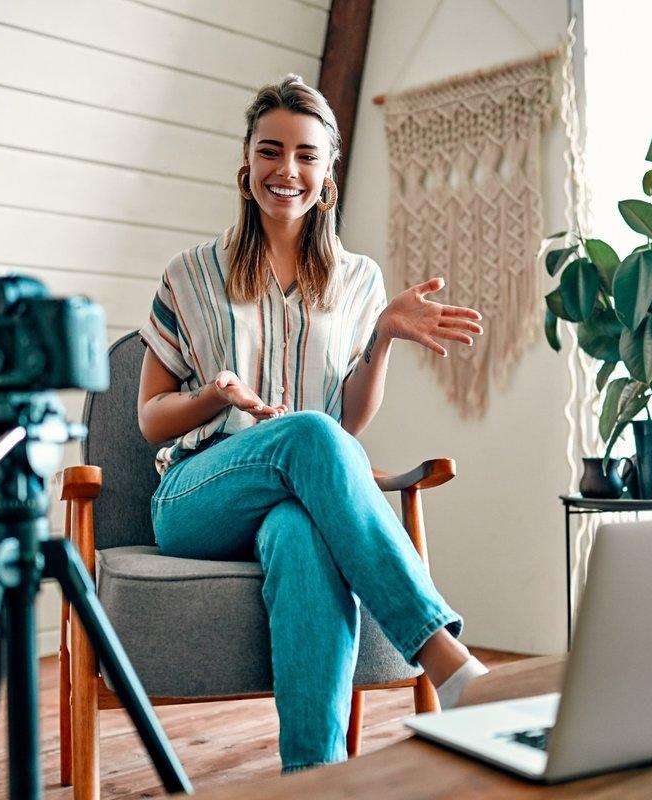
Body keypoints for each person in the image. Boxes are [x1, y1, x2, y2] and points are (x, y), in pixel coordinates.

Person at [137, 74, 488, 774]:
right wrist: (216, 395)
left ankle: (314, 781)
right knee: (313, 435)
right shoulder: (190, 274)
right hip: (196, 499)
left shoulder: (359, 281)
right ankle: (442, 655)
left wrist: (383, 336)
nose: (286, 170)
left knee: (302, 527)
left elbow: (349, 417)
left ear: (327, 177)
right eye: (271, 151)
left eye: (305, 155)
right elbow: (151, 420)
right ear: (247, 165)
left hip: (297, 502)